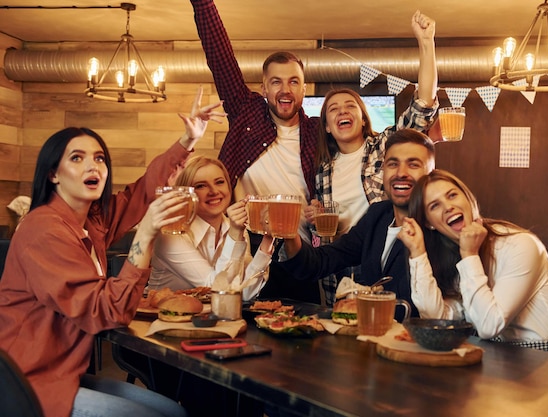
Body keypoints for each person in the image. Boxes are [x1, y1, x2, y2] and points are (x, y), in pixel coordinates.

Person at [0, 90, 226, 417]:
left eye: (99, 158)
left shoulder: (91, 219)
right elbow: (106, 311)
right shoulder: (43, 231)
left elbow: (142, 192)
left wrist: (187, 140)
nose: (93, 165)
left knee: (174, 411)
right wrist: (146, 232)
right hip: (30, 382)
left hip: (65, 373)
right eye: (76, 158)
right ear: (53, 173)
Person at [190, 0, 321, 303]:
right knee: (245, 333)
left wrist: (323, 209)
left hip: (299, 252)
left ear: (303, 90)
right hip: (245, 246)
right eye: (276, 82)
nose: (285, 90)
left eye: (293, 82)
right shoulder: (246, 112)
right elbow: (219, 57)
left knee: (303, 335)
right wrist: (203, 4)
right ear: (264, 89)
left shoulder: (317, 132)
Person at [306, 10, 439, 304]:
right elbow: (320, 234)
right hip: (337, 271)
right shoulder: (321, 170)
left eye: (350, 106)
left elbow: (423, 104)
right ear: (327, 126)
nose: (343, 111)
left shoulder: (385, 147)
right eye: (333, 109)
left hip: (380, 262)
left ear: (363, 118)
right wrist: (313, 220)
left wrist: (426, 43)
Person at [398, 169, 548, 354]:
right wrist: (418, 253)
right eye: (435, 206)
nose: (448, 207)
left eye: (452, 195)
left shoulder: (519, 245)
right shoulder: (455, 254)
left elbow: (488, 326)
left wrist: (470, 254)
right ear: (429, 223)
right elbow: (437, 319)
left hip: (543, 362)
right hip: (495, 357)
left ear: (469, 199)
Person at [280, 128, 436, 315]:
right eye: (393, 164)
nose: (401, 173)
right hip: (370, 336)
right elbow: (321, 261)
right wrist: (289, 234)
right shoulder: (378, 215)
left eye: (413, 165)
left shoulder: (440, 225)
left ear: (432, 173)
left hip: (414, 340)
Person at [147, 155, 274, 300]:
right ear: (186, 194)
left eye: (219, 182)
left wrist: (268, 239)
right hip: (162, 317)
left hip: (210, 317)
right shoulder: (170, 233)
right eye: (200, 186)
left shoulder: (235, 229)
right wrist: (234, 233)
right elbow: (215, 287)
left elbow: (243, 293)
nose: (214, 191)